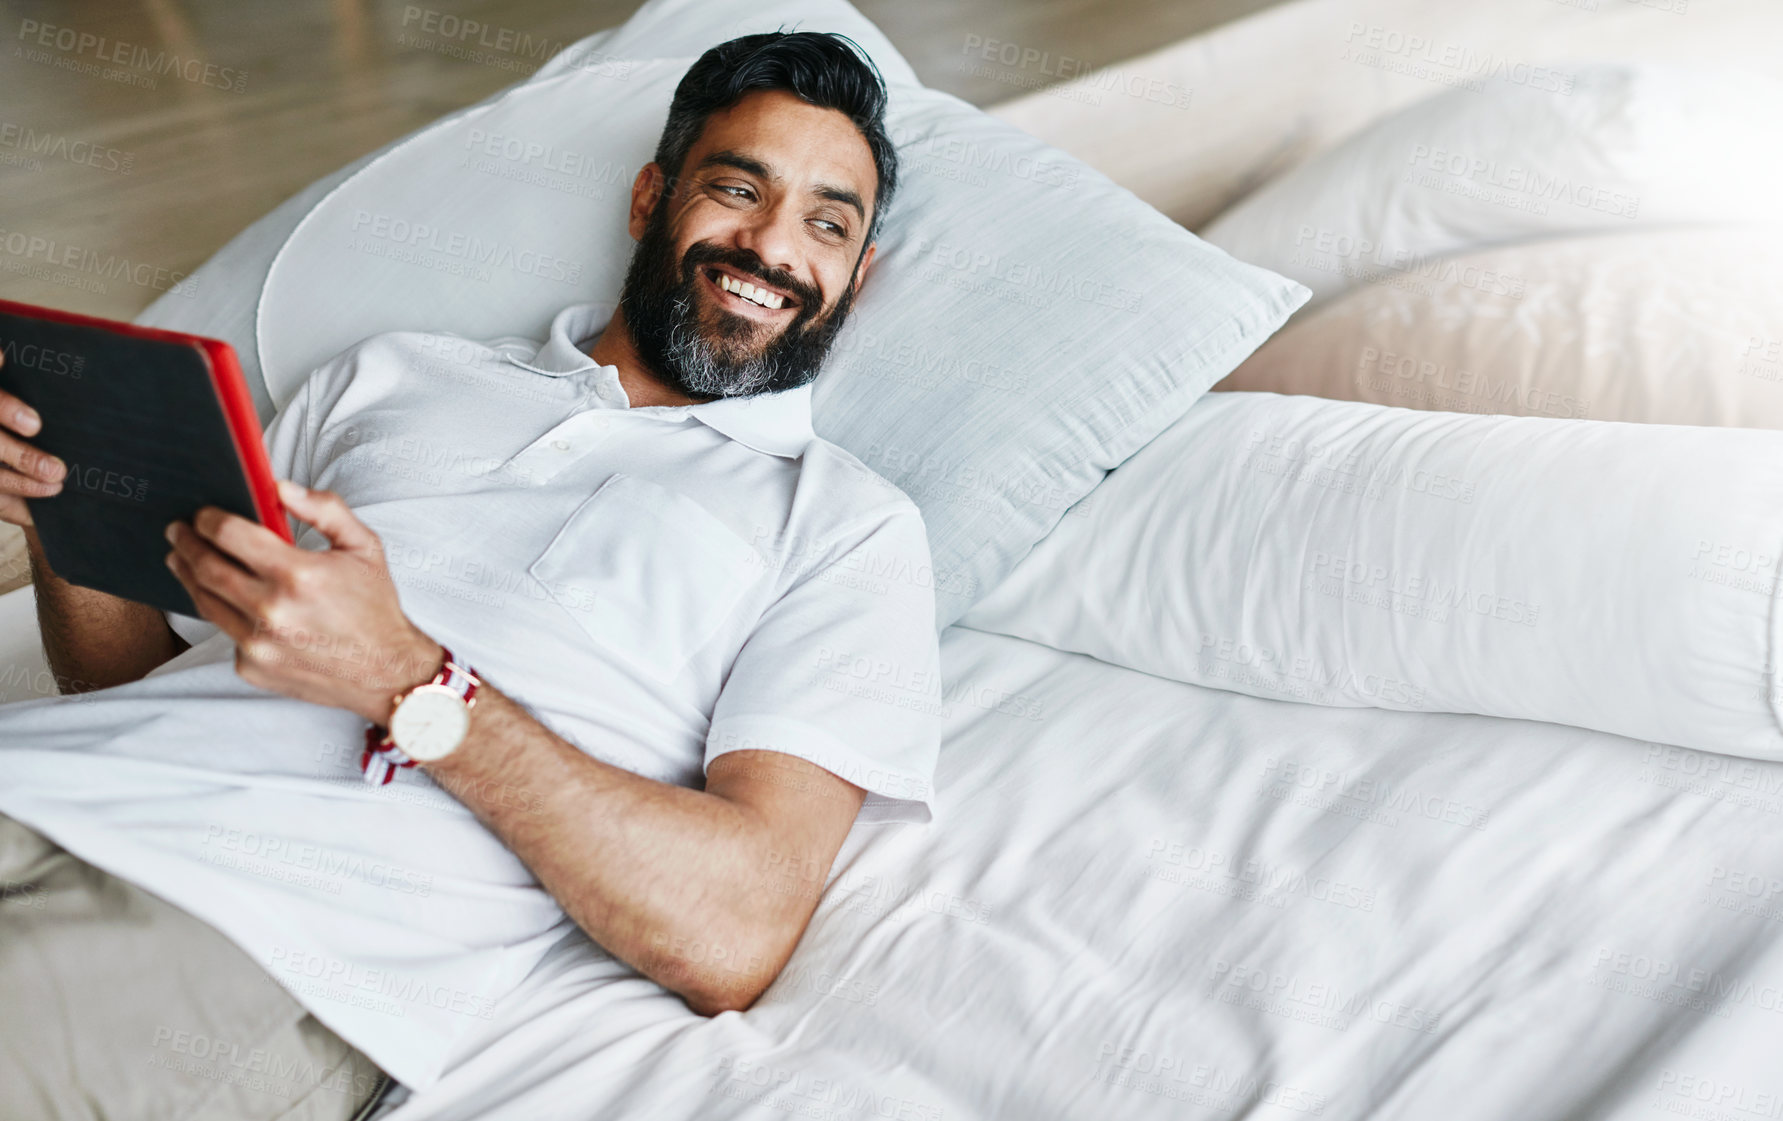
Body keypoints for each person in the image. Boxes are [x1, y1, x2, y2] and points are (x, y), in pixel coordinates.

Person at [0, 31, 940, 1121]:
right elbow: (145, 688)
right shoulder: (389, 373)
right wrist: (61, 520)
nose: (773, 245)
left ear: (857, 276)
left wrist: (409, 680)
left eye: (827, 222)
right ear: (651, 198)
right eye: (737, 188)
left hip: (261, 920)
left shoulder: (843, 524)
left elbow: (734, 928)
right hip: (44, 773)